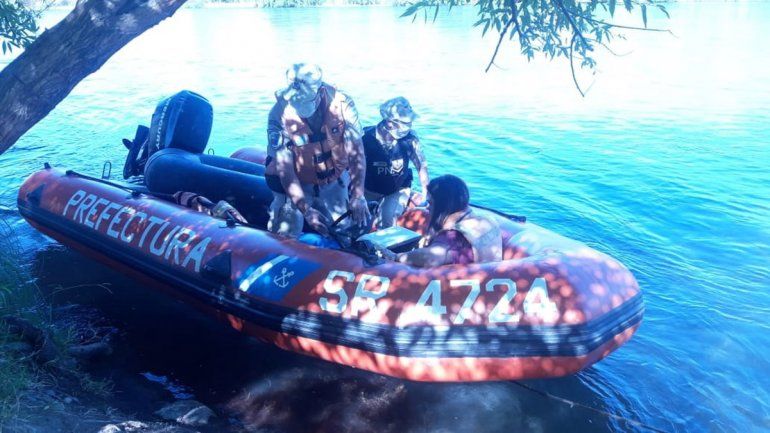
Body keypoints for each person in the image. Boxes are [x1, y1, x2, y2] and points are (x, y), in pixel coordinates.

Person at [264, 63, 369, 237]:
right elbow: (285, 169)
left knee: (345, 234)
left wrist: (358, 195)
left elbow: (356, 152)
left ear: (320, 92)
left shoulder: (343, 104)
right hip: (297, 181)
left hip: (334, 179)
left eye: (305, 101)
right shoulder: (278, 114)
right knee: (285, 233)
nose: (299, 108)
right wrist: (305, 209)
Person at [378, 175, 502, 267]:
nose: (427, 208)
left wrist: (396, 257)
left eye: (431, 203)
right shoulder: (486, 220)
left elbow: (430, 257)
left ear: (444, 206)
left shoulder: (454, 236)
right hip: (484, 281)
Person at [363, 97, 429, 229]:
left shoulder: (410, 140)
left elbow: (421, 166)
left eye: (411, 122)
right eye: (405, 123)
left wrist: (426, 194)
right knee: (358, 220)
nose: (409, 126)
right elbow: (353, 166)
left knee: (387, 221)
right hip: (368, 190)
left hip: (396, 190)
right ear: (389, 123)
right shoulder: (366, 137)